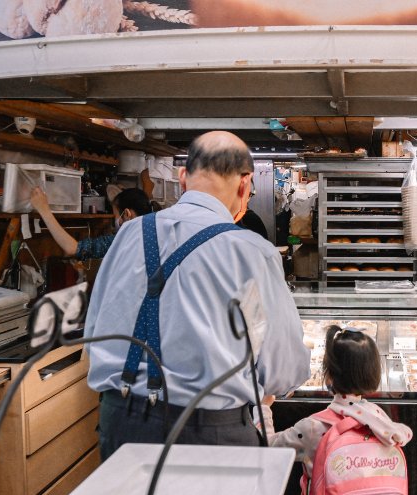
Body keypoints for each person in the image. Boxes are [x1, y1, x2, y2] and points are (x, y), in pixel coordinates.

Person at [84, 131, 310, 459]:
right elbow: (282, 371)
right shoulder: (250, 250)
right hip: (209, 433)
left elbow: (95, 331)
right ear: (245, 184)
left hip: (122, 424)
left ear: (182, 178)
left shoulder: (131, 233)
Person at [260, 325, 413, 490]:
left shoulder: (312, 427)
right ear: (374, 373)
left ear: (329, 376)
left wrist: (263, 408)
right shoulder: (381, 418)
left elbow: (269, 449)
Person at [30, 186, 152, 260]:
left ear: (126, 214)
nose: (115, 222)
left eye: (115, 216)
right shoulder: (154, 235)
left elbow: (73, 249)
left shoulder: (122, 241)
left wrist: (44, 210)